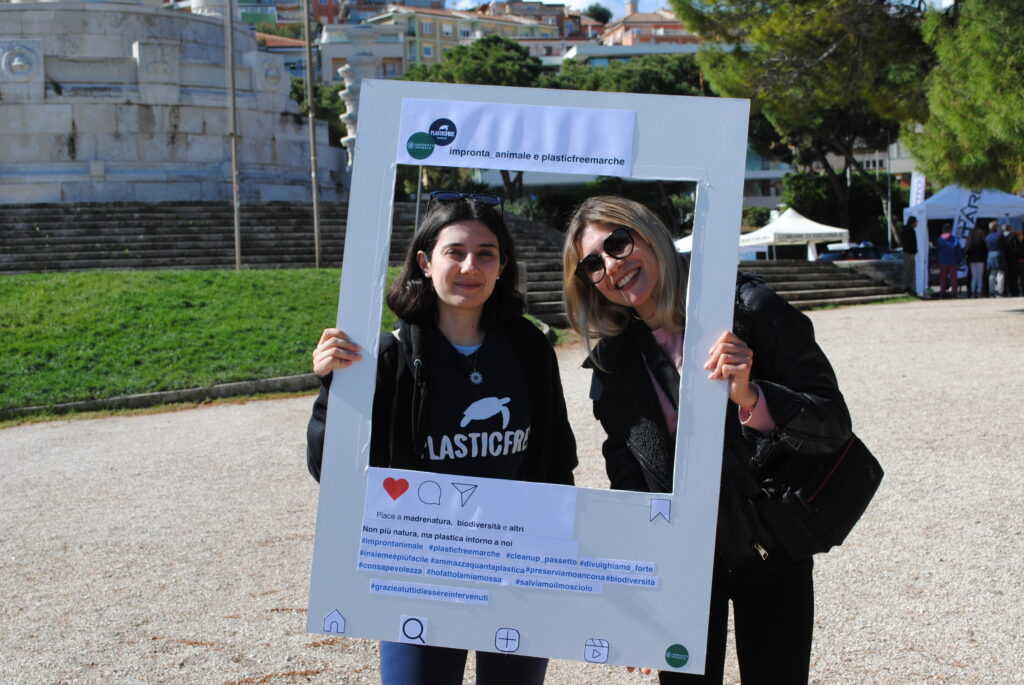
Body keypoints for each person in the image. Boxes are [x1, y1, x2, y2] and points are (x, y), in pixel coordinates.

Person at [561, 196, 851, 684]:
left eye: (618, 242)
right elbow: (630, 484)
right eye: (593, 263)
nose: (612, 265)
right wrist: (636, 592)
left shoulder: (747, 308)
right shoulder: (613, 366)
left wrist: (754, 396)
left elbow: (833, 420)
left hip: (771, 544)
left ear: (649, 234)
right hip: (682, 568)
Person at [306, 192, 577, 685]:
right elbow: (330, 468)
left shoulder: (530, 348)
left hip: (516, 565)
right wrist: (334, 391)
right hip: (424, 567)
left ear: (503, 266)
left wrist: (557, 559)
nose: (470, 266)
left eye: (486, 253)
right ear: (425, 262)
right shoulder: (386, 355)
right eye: (455, 252)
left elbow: (557, 459)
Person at [935, 225, 963, 298]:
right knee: (953, 278)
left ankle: (942, 292)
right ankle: (954, 293)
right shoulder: (955, 239)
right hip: (953, 261)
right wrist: (959, 261)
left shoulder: (940, 240)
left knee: (943, 278)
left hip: (942, 261)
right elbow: (959, 251)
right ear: (950, 230)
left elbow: (937, 251)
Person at [965, 224, 988, 298]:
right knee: (979, 276)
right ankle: (979, 291)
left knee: (974, 276)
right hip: (980, 260)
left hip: (972, 261)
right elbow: (985, 251)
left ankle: (972, 291)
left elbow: (966, 252)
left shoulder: (970, 243)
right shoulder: (982, 242)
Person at [984, 220, 1007, 297]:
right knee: (1000, 273)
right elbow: (1004, 245)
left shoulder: (987, 237)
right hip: (999, 254)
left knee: (991, 274)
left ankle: (991, 291)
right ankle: (1000, 291)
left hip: (990, 255)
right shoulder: (1000, 236)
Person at [900, 216, 919, 294]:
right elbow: (909, 243)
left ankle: (909, 287)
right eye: (916, 222)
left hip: (908, 252)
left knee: (910, 270)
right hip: (909, 253)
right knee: (908, 270)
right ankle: (906, 286)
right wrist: (912, 252)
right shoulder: (909, 230)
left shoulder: (907, 230)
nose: (917, 223)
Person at [1002, 224, 1020, 297]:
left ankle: (1006, 291)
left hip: (1004, 258)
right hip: (1013, 259)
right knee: (1014, 276)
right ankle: (1014, 291)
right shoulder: (1013, 236)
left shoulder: (1001, 236)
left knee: (1005, 276)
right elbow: (1016, 248)